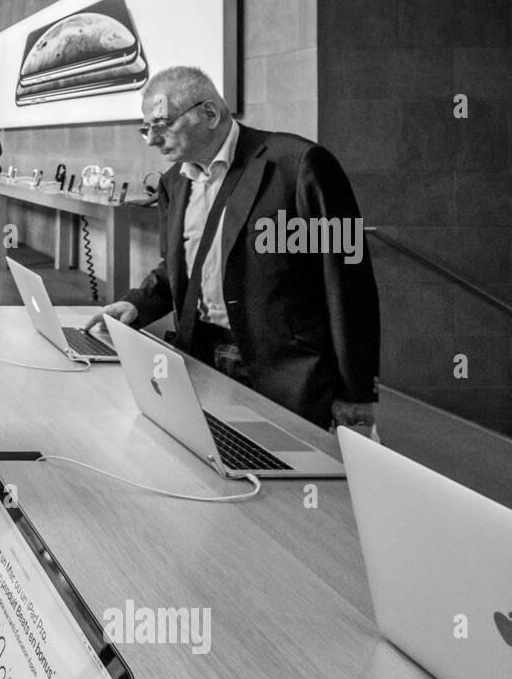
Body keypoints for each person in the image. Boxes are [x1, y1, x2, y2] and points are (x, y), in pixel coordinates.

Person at [86, 66, 380, 432]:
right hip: (200, 358)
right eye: (146, 128)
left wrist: (356, 390)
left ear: (208, 113)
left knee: (292, 484)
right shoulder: (173, 182)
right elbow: (180, 267)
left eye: (162, 125)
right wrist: (136, 303)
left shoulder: (298, 166)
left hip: (285, 373)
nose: (151, 140)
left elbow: (348, 283)